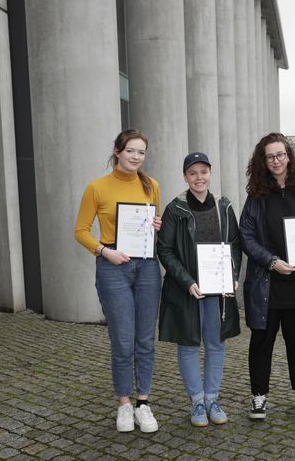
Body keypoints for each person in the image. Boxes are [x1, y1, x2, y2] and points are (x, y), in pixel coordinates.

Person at [74, 129, 162, 433]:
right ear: (117, 151)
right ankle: (124, 404)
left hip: (148, 267)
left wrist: (157, 225)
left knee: (146, 339)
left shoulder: (152, 186)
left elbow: (152, 227)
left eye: (141, 152)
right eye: (130, 151)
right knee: (123, 340)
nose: (136, 157)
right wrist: (104, 251)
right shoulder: (97, 188)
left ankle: (143, 402)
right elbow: (81, 230)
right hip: (113, 268)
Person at [239, 132, 295, 420]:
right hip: (268, 283)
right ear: (262, 161)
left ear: (289, 156)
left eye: (280, 154)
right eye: (270, 156)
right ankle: (259, 397)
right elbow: (247, 237)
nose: (276, 160)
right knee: (261, 343)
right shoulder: (256, 197)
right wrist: (271, 261)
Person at [156, 152, 241, 427]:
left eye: (203, 172)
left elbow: (235, 245)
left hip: (218, 290)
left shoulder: (224, 206)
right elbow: (165, 250)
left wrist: (233, 275)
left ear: (210, 174)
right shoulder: (175, 209)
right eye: (193, 173)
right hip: (187, 289)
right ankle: (196, 402)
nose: (199, 178)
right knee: (189, 344)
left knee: (216, 344)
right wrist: (187, 281)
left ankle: (212, 399)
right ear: (185, 177)